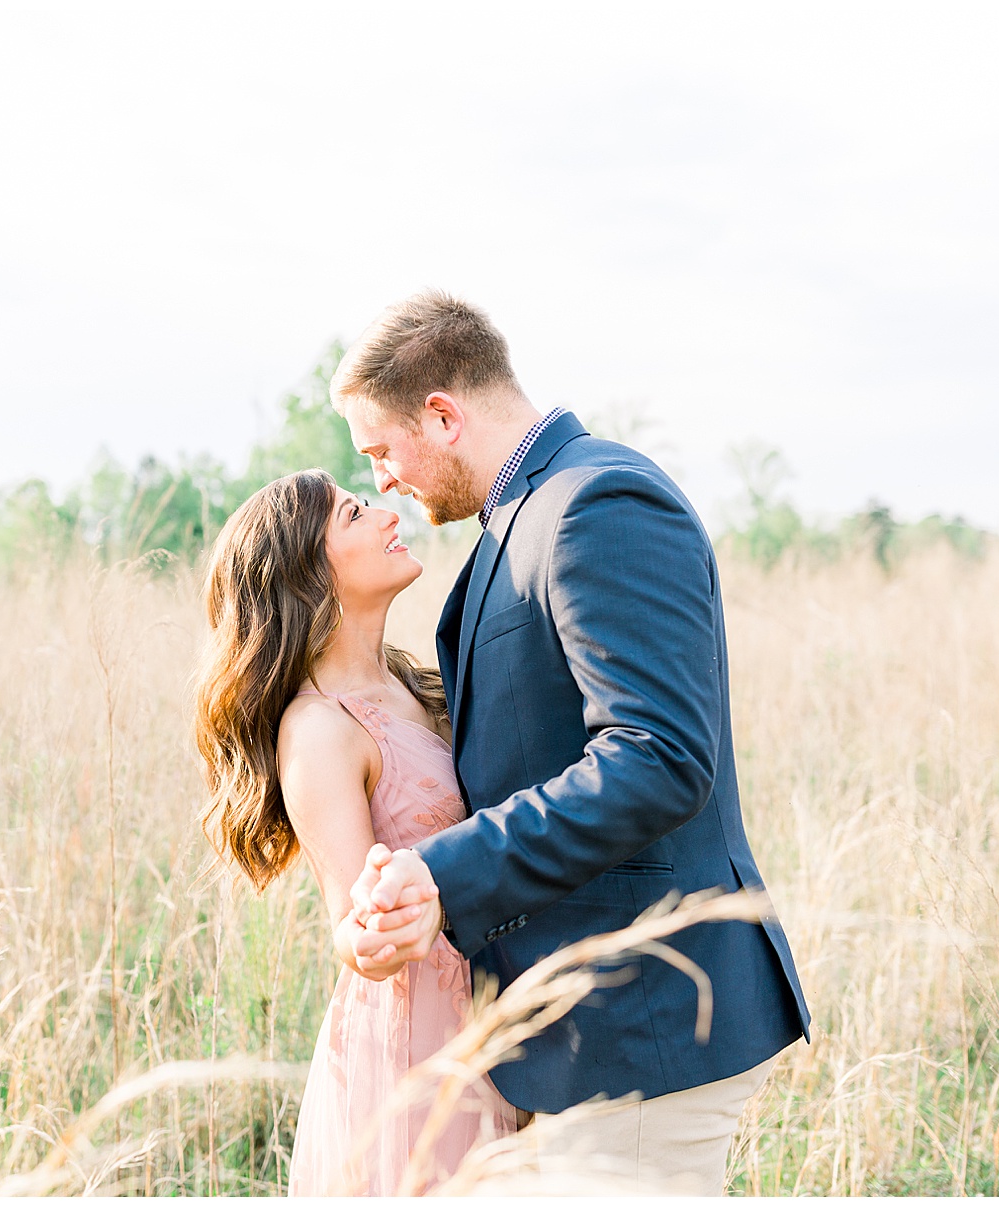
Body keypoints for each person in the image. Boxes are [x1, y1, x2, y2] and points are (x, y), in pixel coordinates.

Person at [334, 291, 811, 1195]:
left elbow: (658, 755)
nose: (384, 478)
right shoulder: (513, 527)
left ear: (442, 414)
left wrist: (442, 872)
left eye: (381, 450)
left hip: (646, 1016)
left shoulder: (599, 501)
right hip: (575, 1029)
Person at [190, 469, 520, 1195]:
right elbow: (349, 918)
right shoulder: (319, 729)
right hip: (415, 1046)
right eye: (352, 512)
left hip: (492, 1023)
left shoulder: (415, 684)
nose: (383, 512)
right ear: (309, 571)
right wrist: (372, 934)